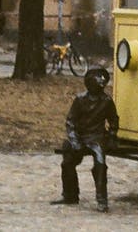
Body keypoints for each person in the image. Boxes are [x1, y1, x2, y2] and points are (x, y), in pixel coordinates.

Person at [51, 66, 119, 212]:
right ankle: (70, 195)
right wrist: (75, 141)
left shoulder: (106, 101)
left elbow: (113, 120)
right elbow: (70, 122)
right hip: (80, 136)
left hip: (97, 137)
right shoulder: (80, 99)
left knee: (100, 164)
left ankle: (102, 199)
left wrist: (112, 136)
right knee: (67, 162)